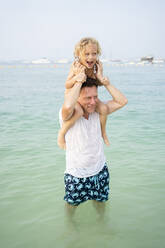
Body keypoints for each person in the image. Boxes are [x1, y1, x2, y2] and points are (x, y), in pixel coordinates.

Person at [59, 62, 128, 215]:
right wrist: (78, 81)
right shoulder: (67, 114)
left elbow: (122, 101)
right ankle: (70, 231)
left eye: (95, 97)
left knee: (101, 205)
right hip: (76, 175)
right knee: (71, 209)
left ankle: (101, 226)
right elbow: (69, 105)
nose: (92, 102)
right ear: (77, 97)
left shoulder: (98, 110)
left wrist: (104, 81)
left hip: (100, 171)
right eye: (87, 98)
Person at [58, 37, 110, 150]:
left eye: (94, 53)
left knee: (104, 109)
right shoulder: (76, 66)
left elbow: (95, 83)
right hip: (74, 97)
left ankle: (103, 132)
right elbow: (67, 85)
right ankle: (62, 134)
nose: (91, 57)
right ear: (78, 54)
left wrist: (101, 79)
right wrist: (77, 77)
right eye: (86, 54)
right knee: (79, 111)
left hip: (87, 97)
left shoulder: (96, 66)